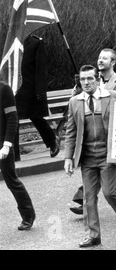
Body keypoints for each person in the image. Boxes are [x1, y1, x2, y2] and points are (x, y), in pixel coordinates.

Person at [64, 65, 116, 248]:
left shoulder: (113, 97)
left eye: (90, 79)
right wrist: (68, 158)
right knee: (88, 197)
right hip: (86, 157)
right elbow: (70, 132)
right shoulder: (75, 102)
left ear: (98, 79)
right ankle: (93, 235)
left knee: (110, 192)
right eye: (82, 79)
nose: (86, 83)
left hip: (108, 155)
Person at [69, 48, 116, 215]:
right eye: (99, 57)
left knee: (115, 181)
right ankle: (86, 202)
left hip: (114, 137)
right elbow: (73, 124)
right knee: (102, 180)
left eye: (105, 58)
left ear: (113, 62)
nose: (100, 60)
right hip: (92, 145)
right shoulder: (86, 82)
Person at [15, 35, 60, 158]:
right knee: (12, 119)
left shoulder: (35, 43)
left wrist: (40, 91)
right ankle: (14, 155)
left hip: (30, 88)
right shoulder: (9, 40)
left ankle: (52, 140)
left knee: (36, 117)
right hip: (11, 87)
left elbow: (41, 69)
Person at [0, 81, 36, 231]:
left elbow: (13, 118)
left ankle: (28, 215)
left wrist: (7, 144)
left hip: (2, 145)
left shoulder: (4, 89)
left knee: (11, 181)